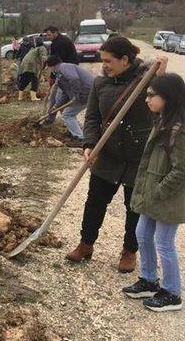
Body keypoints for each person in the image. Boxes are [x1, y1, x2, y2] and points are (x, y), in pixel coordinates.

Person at [66, 37, 168, 273]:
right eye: (102, 61)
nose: (104, 65)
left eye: (108, 61)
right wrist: (89, 144)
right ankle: (86, 243)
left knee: (134, 207)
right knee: (95, 202)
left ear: (125, 60)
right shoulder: (100, 84)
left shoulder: (148, 80)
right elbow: (92, 117)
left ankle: (129, 251)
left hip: (138, 157)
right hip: (108, 154)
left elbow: (168, 106)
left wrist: (161, 77)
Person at [123, 74, 185, 312]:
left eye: (151, 95)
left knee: (164, 243)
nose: (147, 99)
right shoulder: (162, 121)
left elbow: (181, 170)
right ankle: (149, 280)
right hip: (154, 194)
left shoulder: (178, 131)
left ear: (167, 98)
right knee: (142, 234)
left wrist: (159, 190)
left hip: (168, 197)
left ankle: (172, 293)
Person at [44, 55, 94, 147]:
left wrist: (77, 94)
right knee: (69, 114)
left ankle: (80, 138)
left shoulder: (64, 67)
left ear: (52, 66)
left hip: (87, 93)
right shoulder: (60, 74)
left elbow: (74, 78)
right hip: (86, 92)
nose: (49, 70)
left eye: (49, 67)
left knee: (67, 114)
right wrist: (55, 106)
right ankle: (76, 133)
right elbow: (64, 93)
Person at [18, 37, 47, 101]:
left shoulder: (33, 49)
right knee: (35, 80)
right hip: (32, 65)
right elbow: (44, 59)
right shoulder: (42, 48)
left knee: (25, 80)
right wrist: (43, 68)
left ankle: (20, 97)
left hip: (24, 64)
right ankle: (33, 98)